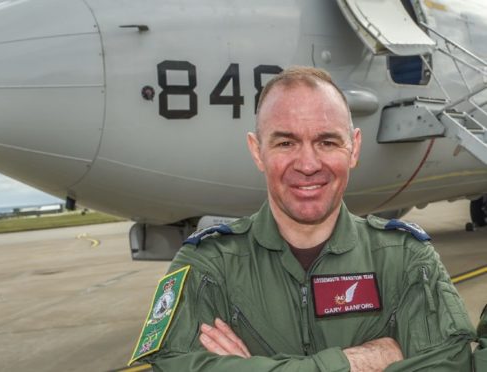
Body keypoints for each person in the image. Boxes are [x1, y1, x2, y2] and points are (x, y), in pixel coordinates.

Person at [128, 66, 475, 371]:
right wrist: (352, 363)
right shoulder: (208, 266)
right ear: (257, 150)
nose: (308, 164)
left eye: (326, 142)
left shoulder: (407, 260)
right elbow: (175, 364)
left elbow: (450, 364)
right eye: (285, 144)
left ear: (353, 148)